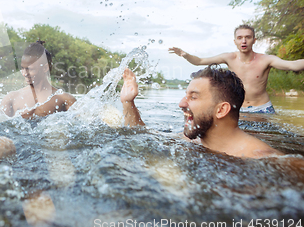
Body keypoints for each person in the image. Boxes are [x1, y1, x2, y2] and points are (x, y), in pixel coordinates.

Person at [120, 65, 283, 159]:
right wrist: (128, 102)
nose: (181, 104)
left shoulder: (264, 158)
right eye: (186, 96)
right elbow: (142, 134)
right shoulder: (192, 140)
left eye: (194, 97)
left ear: (221, 110)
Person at [169, 24, 304, 114]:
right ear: (235, 41)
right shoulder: (229, 58)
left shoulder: (266, 60)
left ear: (254, 40)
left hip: (263, 109)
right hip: (238, 109)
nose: (243, 41)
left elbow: (293, 65)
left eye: (247, 37)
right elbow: (199, 61)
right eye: (240, 38)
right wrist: (185, 55)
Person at [0, 41, 76, 119]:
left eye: (30, 69)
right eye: (22, 68)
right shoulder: (11, 99)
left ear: (45, 68)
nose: (24, 74)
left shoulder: (64, 99)